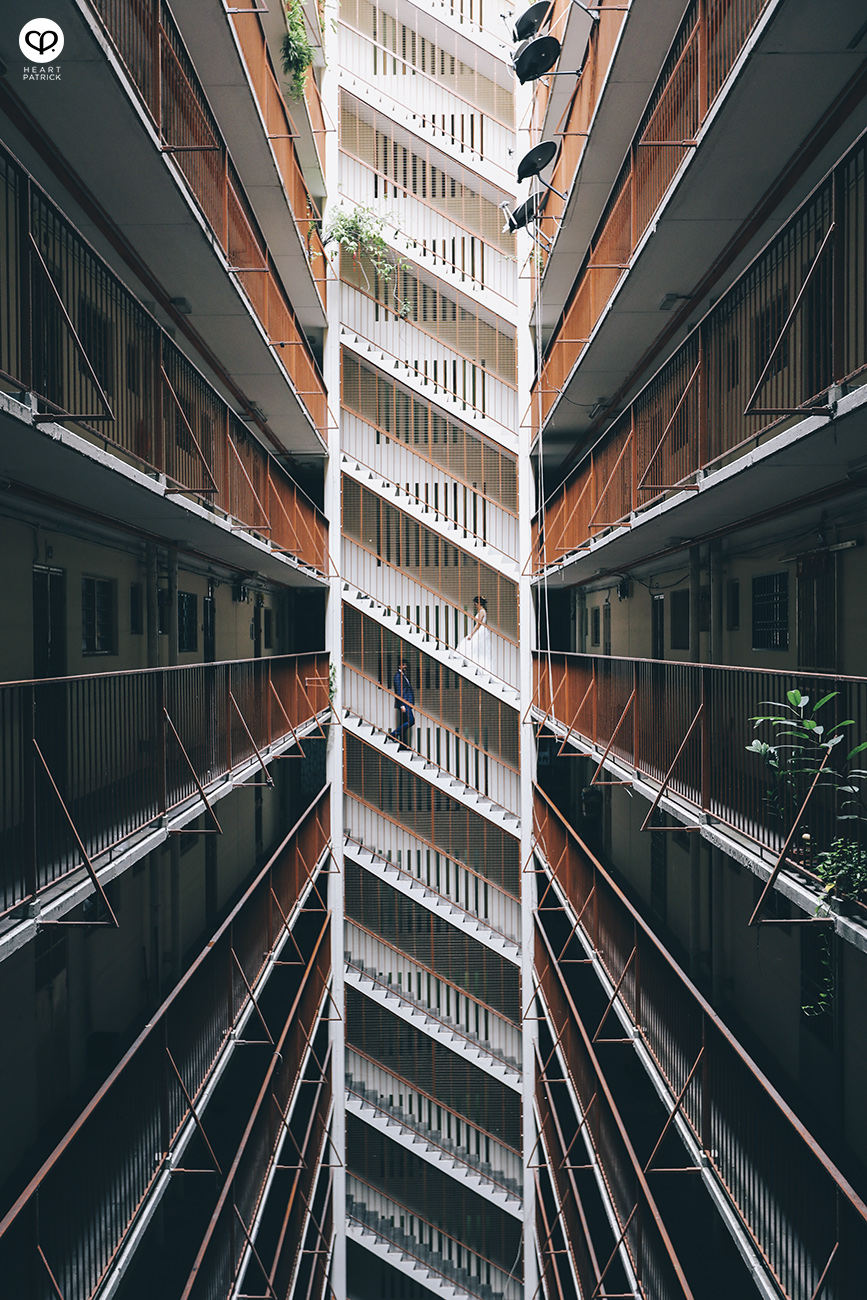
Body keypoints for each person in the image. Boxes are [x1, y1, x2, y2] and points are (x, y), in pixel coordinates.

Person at [456, 595, 491, 671]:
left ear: (479, 604)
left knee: (471, 644)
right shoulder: (483, 611)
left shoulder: (481, 612)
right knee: (476, 648)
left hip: (480, 631)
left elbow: (478, 624)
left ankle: (472, 662)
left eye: (475, 604)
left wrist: (471, 634)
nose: (475, 606)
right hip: (482, 630)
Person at [390, 658, 415, 749]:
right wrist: (402, 705)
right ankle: (393, 734)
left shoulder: (403, 675)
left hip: (407, 702)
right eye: (404, 665)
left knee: (404, 723)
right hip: (405, 703)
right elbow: (399, 691)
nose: (405, 666)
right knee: (411, 721)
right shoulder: (398, 676)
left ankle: (403, 745)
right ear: (399, 666)